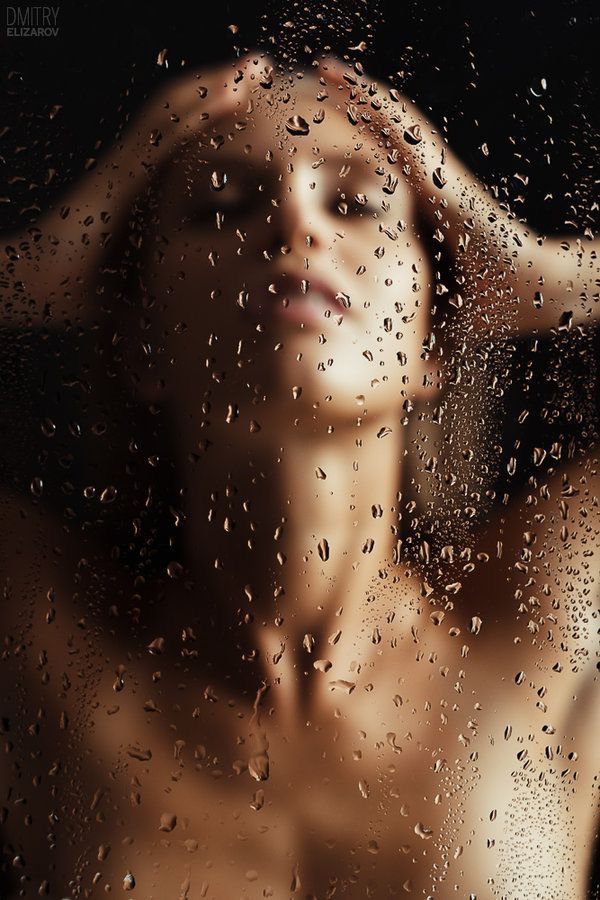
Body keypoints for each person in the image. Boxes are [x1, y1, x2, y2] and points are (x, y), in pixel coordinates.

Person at [0, 54, 598, 898]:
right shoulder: (43, 642)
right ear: (136, 340)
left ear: (434, 341)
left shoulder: (544, 624)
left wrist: (549, 272)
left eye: (355, 203)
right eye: (219, 208)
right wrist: (29, 270)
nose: (294, 223)